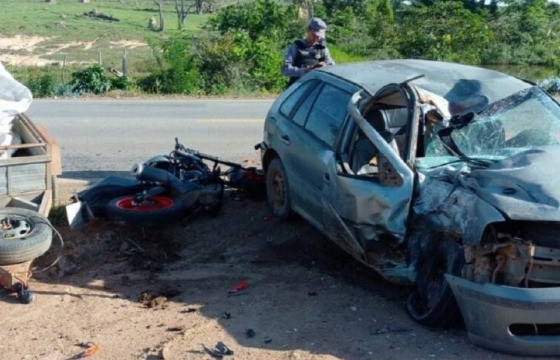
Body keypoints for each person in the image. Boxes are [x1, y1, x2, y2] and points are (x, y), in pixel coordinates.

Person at [282, 17, 335, 87]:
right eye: (314, 35)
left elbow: (333, 68)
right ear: (308, 30)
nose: (316, 38)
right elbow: (285, 70)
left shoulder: (323, 49)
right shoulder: (296, 46)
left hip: (314, 89)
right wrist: (306, 70)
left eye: (319, 36)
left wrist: (325, 68)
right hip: (296, 87)